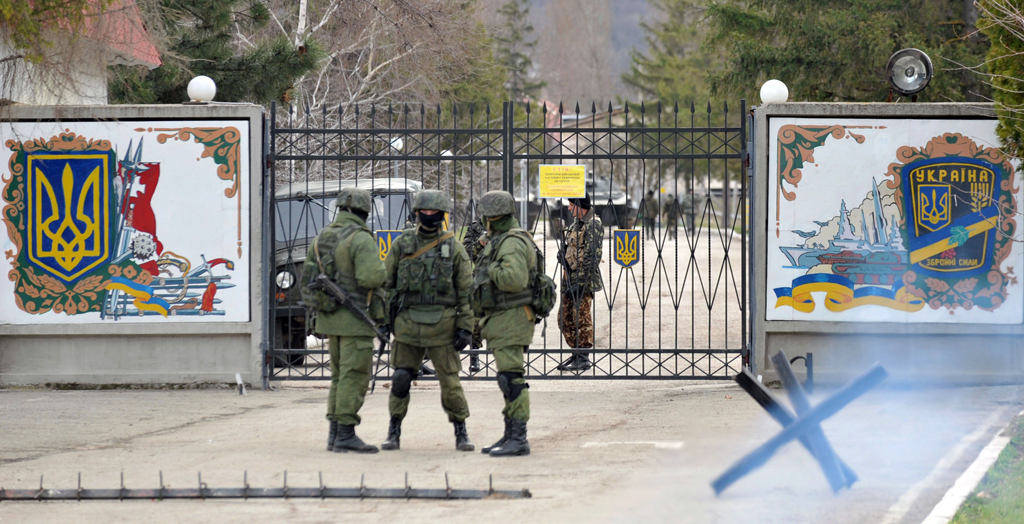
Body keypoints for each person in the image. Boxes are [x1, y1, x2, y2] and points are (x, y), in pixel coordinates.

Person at [380, 190, 476, 452]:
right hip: (407, 324)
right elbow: (386, 284)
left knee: (451, 382)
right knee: (400, 378)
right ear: (417, 213)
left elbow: (467, 292)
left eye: (435, 212)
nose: (430, 216)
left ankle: (461, 431)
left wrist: (466, 327)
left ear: (442, 215)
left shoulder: (454, 247)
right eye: (426, 211)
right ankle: (394, 430)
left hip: (442, 326)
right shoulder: (402, 244)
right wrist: (383, 321)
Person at [299, 187, 386, 454]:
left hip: (328, 320)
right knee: (355, 375)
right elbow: (372, 277)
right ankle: (346, 433)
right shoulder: (360, 238)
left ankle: (335, 434)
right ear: (365, 211)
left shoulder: (322, 236)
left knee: (339, 376)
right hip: (354, 319)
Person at [470, 190, 537, 457]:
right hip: (503, 318)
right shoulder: (501, 239)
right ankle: (510, 434)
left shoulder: (510, 242)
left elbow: (512, 279)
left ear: (491, 217)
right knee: (506, 378)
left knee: (512, 378)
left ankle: (519, 439)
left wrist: (489, 269)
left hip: (512, 318)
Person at [556, 194, 603, 372]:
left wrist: (581, 283)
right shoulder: (577, 223)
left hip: (583, 281)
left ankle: (583, 357)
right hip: (570, 278)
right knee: (564, 319)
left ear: (579, 205)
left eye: (570, 205)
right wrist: (563, 254)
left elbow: (593, 257)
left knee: (581, 318)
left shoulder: (593, 224)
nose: (568, 208)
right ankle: (577, 352)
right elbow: (573, 247)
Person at [461, 216, 488, 373]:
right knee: (476, 320)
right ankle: (474, 356)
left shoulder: (506, 224)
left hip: (502, 276)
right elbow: (468, 252)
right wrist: (480, 243)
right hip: (480, 277)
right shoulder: (475, 227)